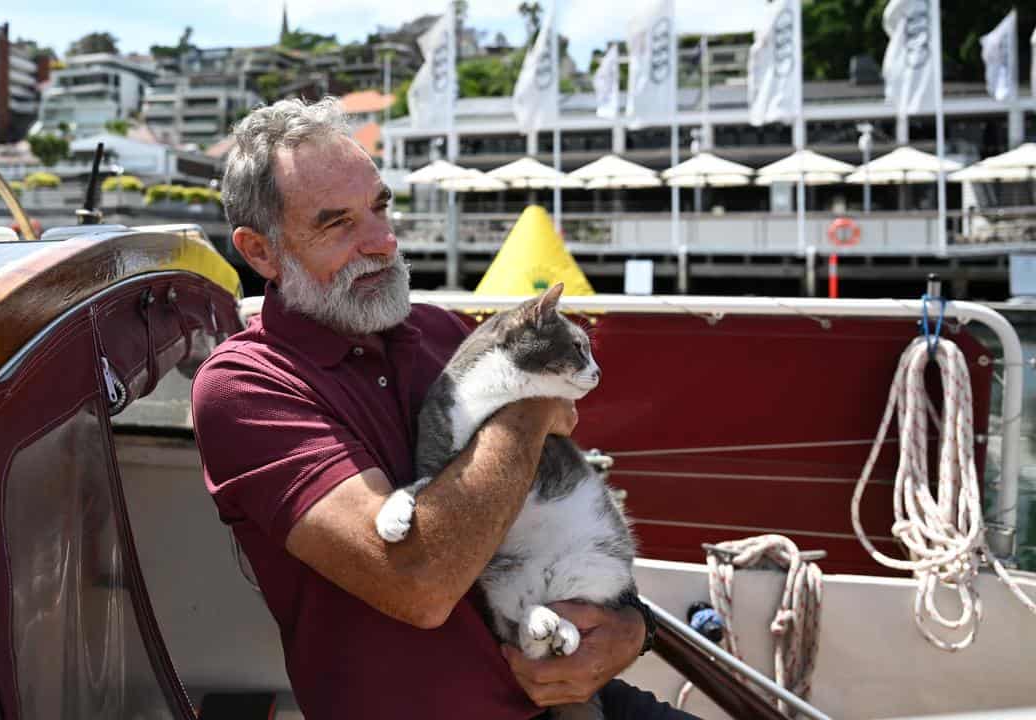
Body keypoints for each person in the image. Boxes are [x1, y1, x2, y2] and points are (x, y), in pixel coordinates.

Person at [190, 97, 695, 720]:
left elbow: (565, 507)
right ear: (261, 252)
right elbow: (418, 581)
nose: (382, 241)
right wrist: (534, 404)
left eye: (380, 207)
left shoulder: (437, 331)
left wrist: (629, 628)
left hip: (584, 698)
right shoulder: (246, 386)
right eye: (336, 223)